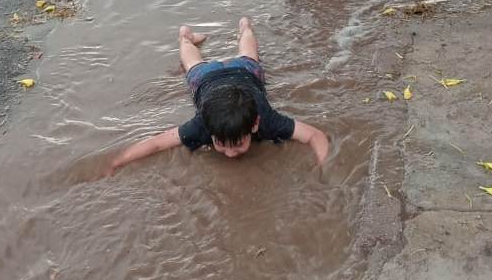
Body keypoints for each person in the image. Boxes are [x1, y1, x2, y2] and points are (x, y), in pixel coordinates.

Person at [108, 17, 329, 173]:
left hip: (245, 73)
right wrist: (117, 162)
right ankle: (185, 37)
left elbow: (314, 136)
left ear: (255, 124)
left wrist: (324, 167)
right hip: (206, 79)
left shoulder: (266, 118)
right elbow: (156, 143)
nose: (230, 154)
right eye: (221, 144)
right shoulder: (203, 123)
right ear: (210, 130)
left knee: (250, 55)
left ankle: (245, 27)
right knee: (191, 63)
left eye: (238, 144)